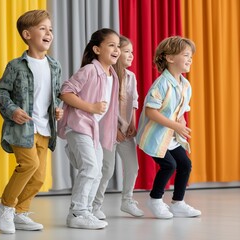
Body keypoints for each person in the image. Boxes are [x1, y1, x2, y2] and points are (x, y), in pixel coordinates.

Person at [0, 10, 63, 234]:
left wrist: (57, 110)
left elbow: (55, 94)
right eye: (42, 28)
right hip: (21, 128)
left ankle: (20, 212)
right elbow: (1, 92)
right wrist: (12, 111)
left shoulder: (54, 66)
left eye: (50, 29)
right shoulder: (16, 65)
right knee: (29, 165)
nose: (48, 33)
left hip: (45, 127)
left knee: (40, 177)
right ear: (27, 34)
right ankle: (5, 206)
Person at [57, 28, 120, 229]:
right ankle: (78, 212)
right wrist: (91, 107)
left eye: (118, 46)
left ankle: (87, 210)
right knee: (91, 167)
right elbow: (66, 92)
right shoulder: (90, 70)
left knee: (98, 171)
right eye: (111, 45)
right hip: (78, 126)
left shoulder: (112, 75)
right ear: (97, 49)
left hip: (92, 131)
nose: (116, 49)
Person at [136, 36, 201, 219]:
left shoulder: (185, 85)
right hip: (154, 135)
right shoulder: (162, 83)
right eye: (186, 55)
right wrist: (175, 125)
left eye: (191, 56)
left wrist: (181, 122)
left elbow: (180, 110)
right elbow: (151, 112)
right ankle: (155, 200)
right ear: (170, 58)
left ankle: (178, 203)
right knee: (169, 165)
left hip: (170, 136)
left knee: (185, 164)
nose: (190, 59)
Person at [92, 35, 144, 220]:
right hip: (107, 131)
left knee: (133, 166)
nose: (131, 55)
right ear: (116, 52)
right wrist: (113, 129)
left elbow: (134, 101)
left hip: (125, 131)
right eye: (127, 51)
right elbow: (105, 105)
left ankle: (127, 200)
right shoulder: (107, 76)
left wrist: (132, 123)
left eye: (132, 52)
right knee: (106, 169)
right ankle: (95, 206)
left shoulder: (131, 77)